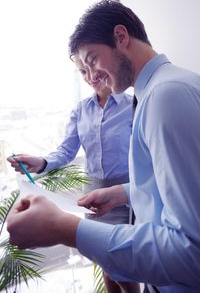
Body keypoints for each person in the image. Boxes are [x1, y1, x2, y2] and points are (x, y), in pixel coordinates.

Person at [7, 0, 200, 293]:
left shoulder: (168, 96)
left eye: (93, 60)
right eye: (84, 70)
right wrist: (124, 192)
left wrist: (66, 229)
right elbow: (177, 181)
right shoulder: (159, 91)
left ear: (121, 37)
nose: (92, 75)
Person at [7, 58, 140, 293]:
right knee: (103, 260)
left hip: (124, 196)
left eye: (92, 67)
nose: (90, 76)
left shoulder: (132, 105)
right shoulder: (80, 110)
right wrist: (41, 162)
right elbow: (66, 151)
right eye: (82, 71)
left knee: (121, 263)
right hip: (93, 198)